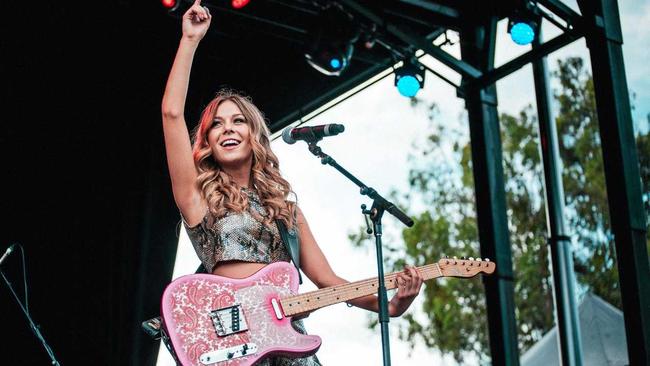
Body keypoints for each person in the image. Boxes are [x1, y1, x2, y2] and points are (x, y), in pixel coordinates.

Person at [160, 1, 423, 364]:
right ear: (206, 142)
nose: (228, 129)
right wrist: (189, 41)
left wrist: (390, 305)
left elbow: (329, 282)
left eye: (238, 121)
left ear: (255, 136)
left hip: (288, 350)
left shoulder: (286, 210)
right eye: (217, 125)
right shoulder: (199, 198)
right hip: (234, 351)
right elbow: (172, 115)